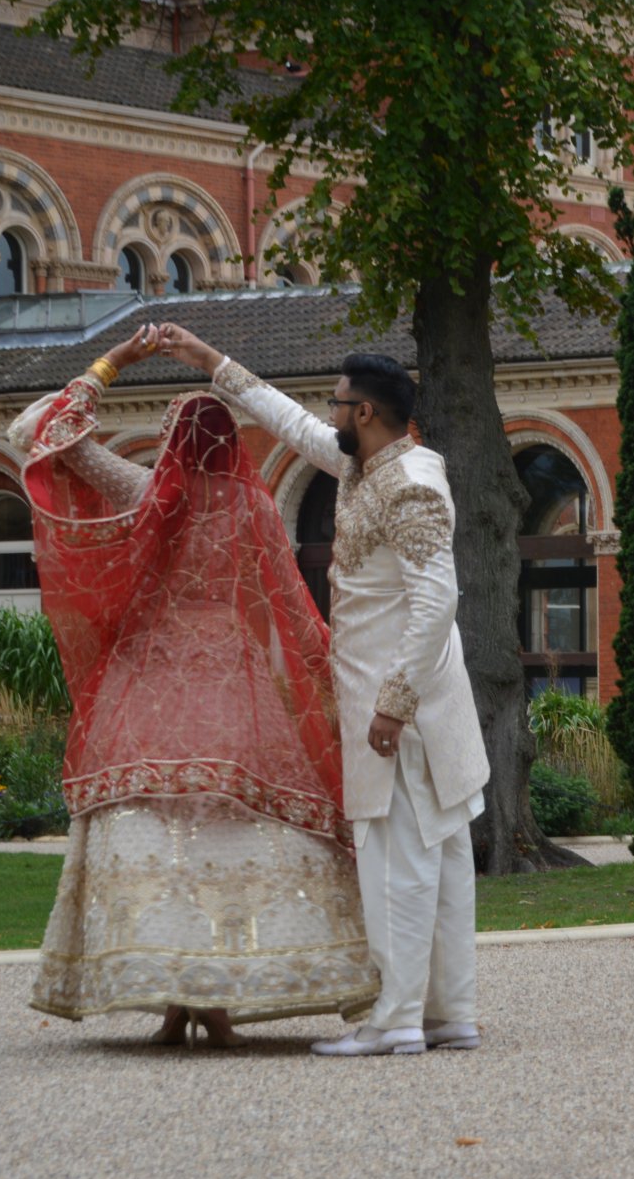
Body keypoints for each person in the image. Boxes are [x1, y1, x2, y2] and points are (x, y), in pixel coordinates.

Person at [12, 326, 379, 1045]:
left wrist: (114, 360)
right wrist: (316, 676)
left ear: (172, 441)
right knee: (230, 831)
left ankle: (176, 1000)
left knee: (161, 829)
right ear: (230, 444)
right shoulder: (257, 509)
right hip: (231, 681)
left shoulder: (148, 492)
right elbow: (284, 610)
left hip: (148, 681)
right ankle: (213, 995)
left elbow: (35, 429)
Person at [159, 324, 490, 1058]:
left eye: (338, 403)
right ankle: (448, 1013)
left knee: (402, 860)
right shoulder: (362, 468)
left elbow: (438, 599)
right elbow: (291, 421)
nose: (330, 413)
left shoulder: (411, 484)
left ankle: (401, 1018)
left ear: (365, 413)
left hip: (402, 712)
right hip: (407, 706)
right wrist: (212, 363)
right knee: (434, 857)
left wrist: (392, 704)